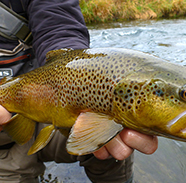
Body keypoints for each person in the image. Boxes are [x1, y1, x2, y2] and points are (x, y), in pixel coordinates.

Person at [0, 0, 158, 182]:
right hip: (5, 141)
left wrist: (79, 81)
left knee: (115, 130)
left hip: (50, 106)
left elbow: (58, 26)